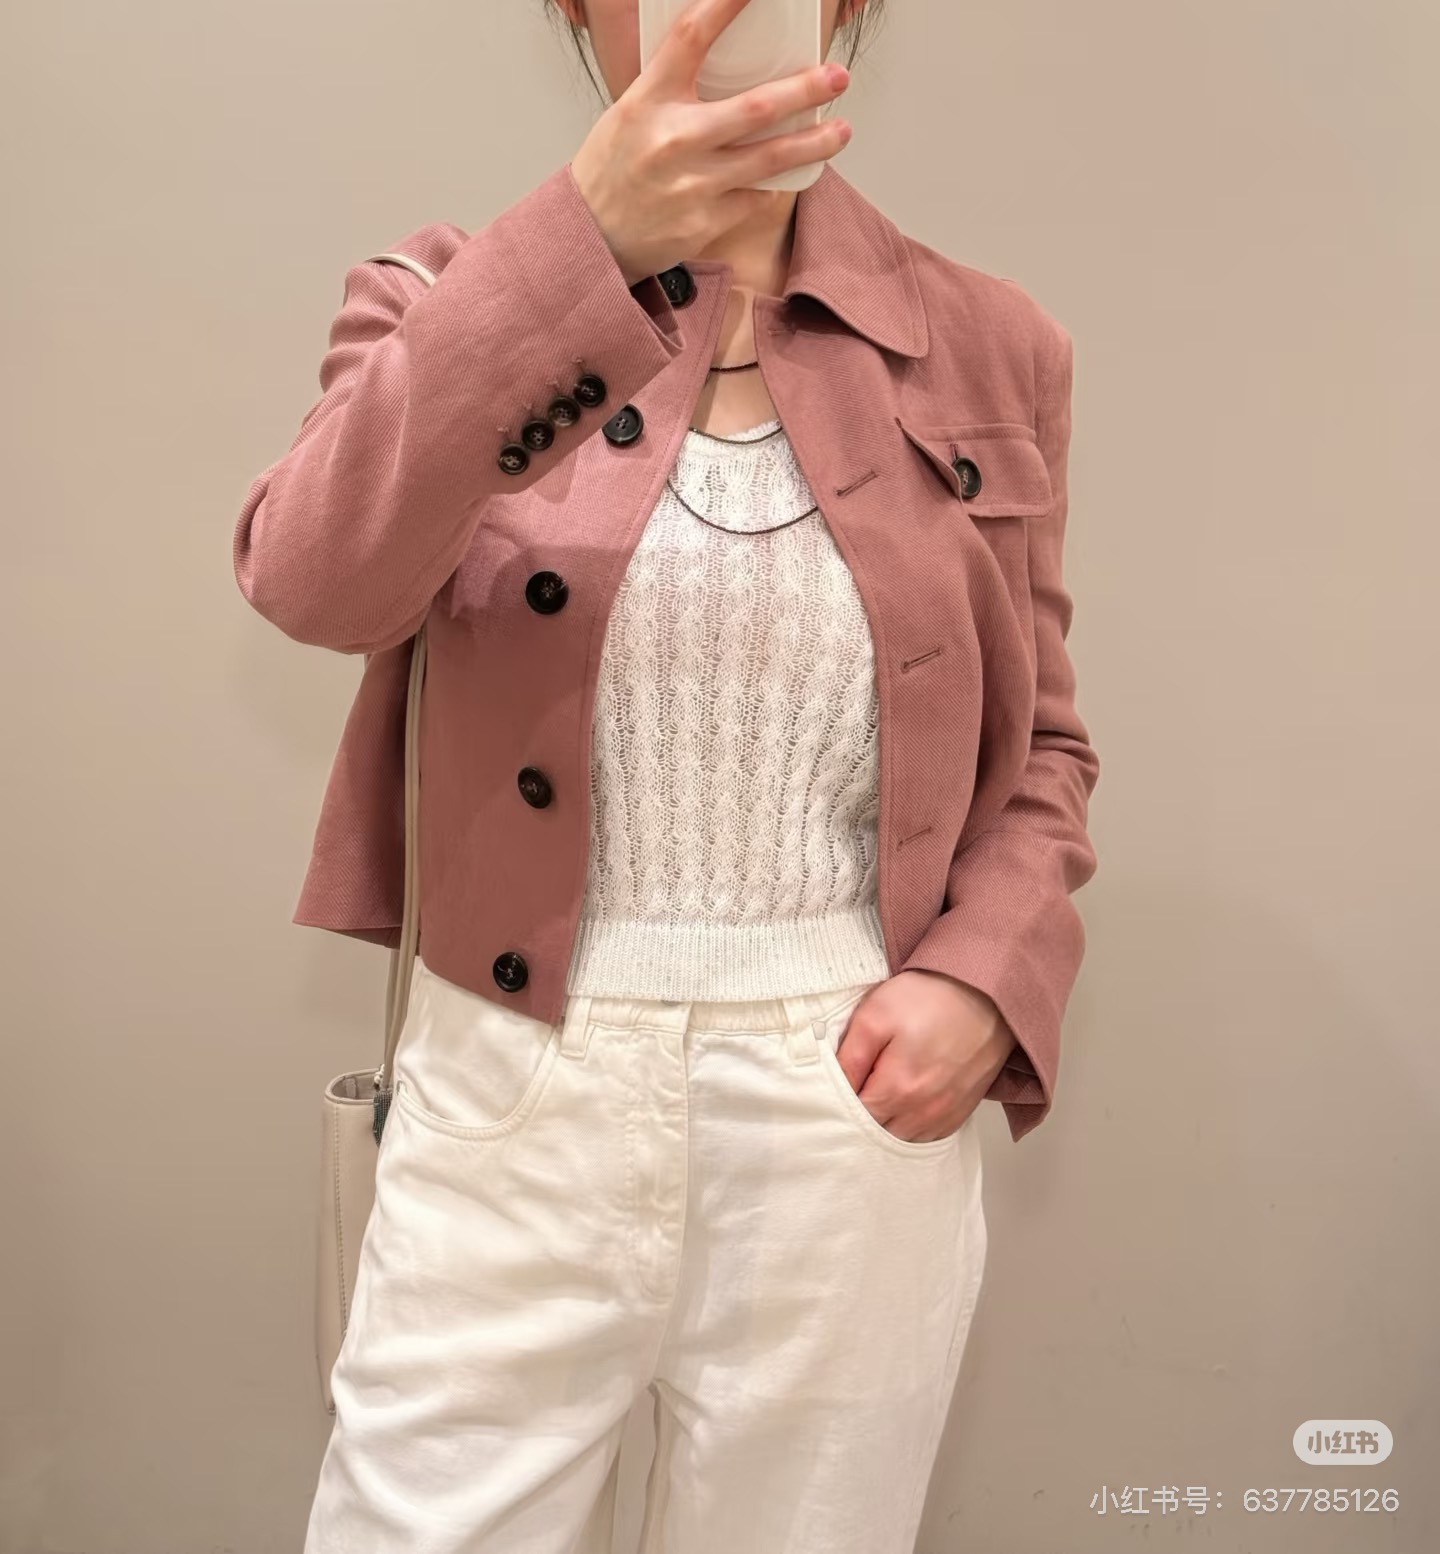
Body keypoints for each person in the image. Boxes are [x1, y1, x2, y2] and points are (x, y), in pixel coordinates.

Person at [232, 0, 1100, 1547]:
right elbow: (313, 579)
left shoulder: (989, 342)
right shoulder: (439, 298)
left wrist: (988, 974)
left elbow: (1041, 742)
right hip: (513, 1083)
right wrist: (575, 250)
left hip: (847, 1107)